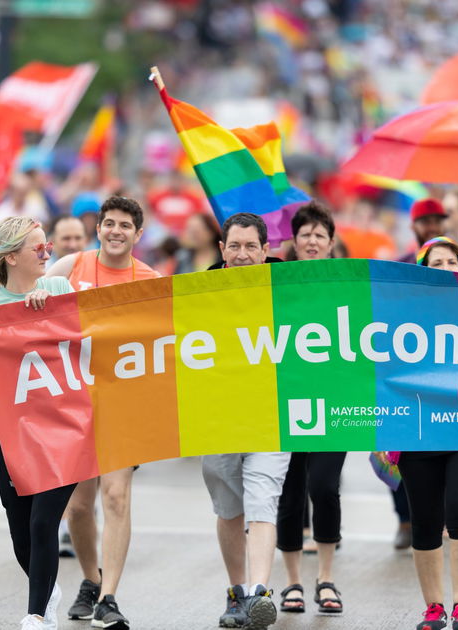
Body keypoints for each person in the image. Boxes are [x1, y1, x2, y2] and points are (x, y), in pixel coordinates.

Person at [47, 196, 161, 629]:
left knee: (116, 496)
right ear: (98, 229)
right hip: (75, 403)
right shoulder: (71, 267)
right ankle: (91, 580)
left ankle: (109, 596)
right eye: (109, 223)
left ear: (138, 234)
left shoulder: (149, 280)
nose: (116, 231)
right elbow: (28, 302)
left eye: (125, 225)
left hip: (124, 404)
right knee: (78, 508)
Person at [0, 216, 76, 630]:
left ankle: (35, 616)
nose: (47, 253)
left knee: (44, 521)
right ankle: (45, 592)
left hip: (60, 428)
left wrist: (49, 315)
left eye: (48, 246)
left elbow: (85, 344)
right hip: (9, 433)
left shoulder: (58, 289)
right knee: (20, 534)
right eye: (38, 248)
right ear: (11, 257)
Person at [399, 236, 458, 629]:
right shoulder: (402, 312)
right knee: (425, 520)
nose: (445, 268)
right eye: (435, 263)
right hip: (418, 429)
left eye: (452, 262)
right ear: (422, 270)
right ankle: (433, 608)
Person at [203, 212, 286, 629]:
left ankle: (258, 595)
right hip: (217, 416)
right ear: (221, 250)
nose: (242, 254)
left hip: (272, 414)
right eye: (234, 246)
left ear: (266, 250)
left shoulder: (290, 288)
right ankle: (237, 591)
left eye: (251, 246)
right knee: (229, 508)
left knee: (262, 503)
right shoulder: (199, 291)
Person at [275, 203, 345, 616]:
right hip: (285, 401)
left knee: (323, 488)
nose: (313, 241)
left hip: (335, 403)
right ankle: (293, 582)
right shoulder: (276, 282)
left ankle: (326, 577)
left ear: (331, 243)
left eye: (320, 234)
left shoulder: (348, 282)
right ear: (294, 242)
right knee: (290, 493)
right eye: (306, 234)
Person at [397, 198, 449, 263]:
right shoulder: (399, 267)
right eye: (426, 222)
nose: (433, 228)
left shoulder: (457, 266)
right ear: (413, 226)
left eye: (438, 221)